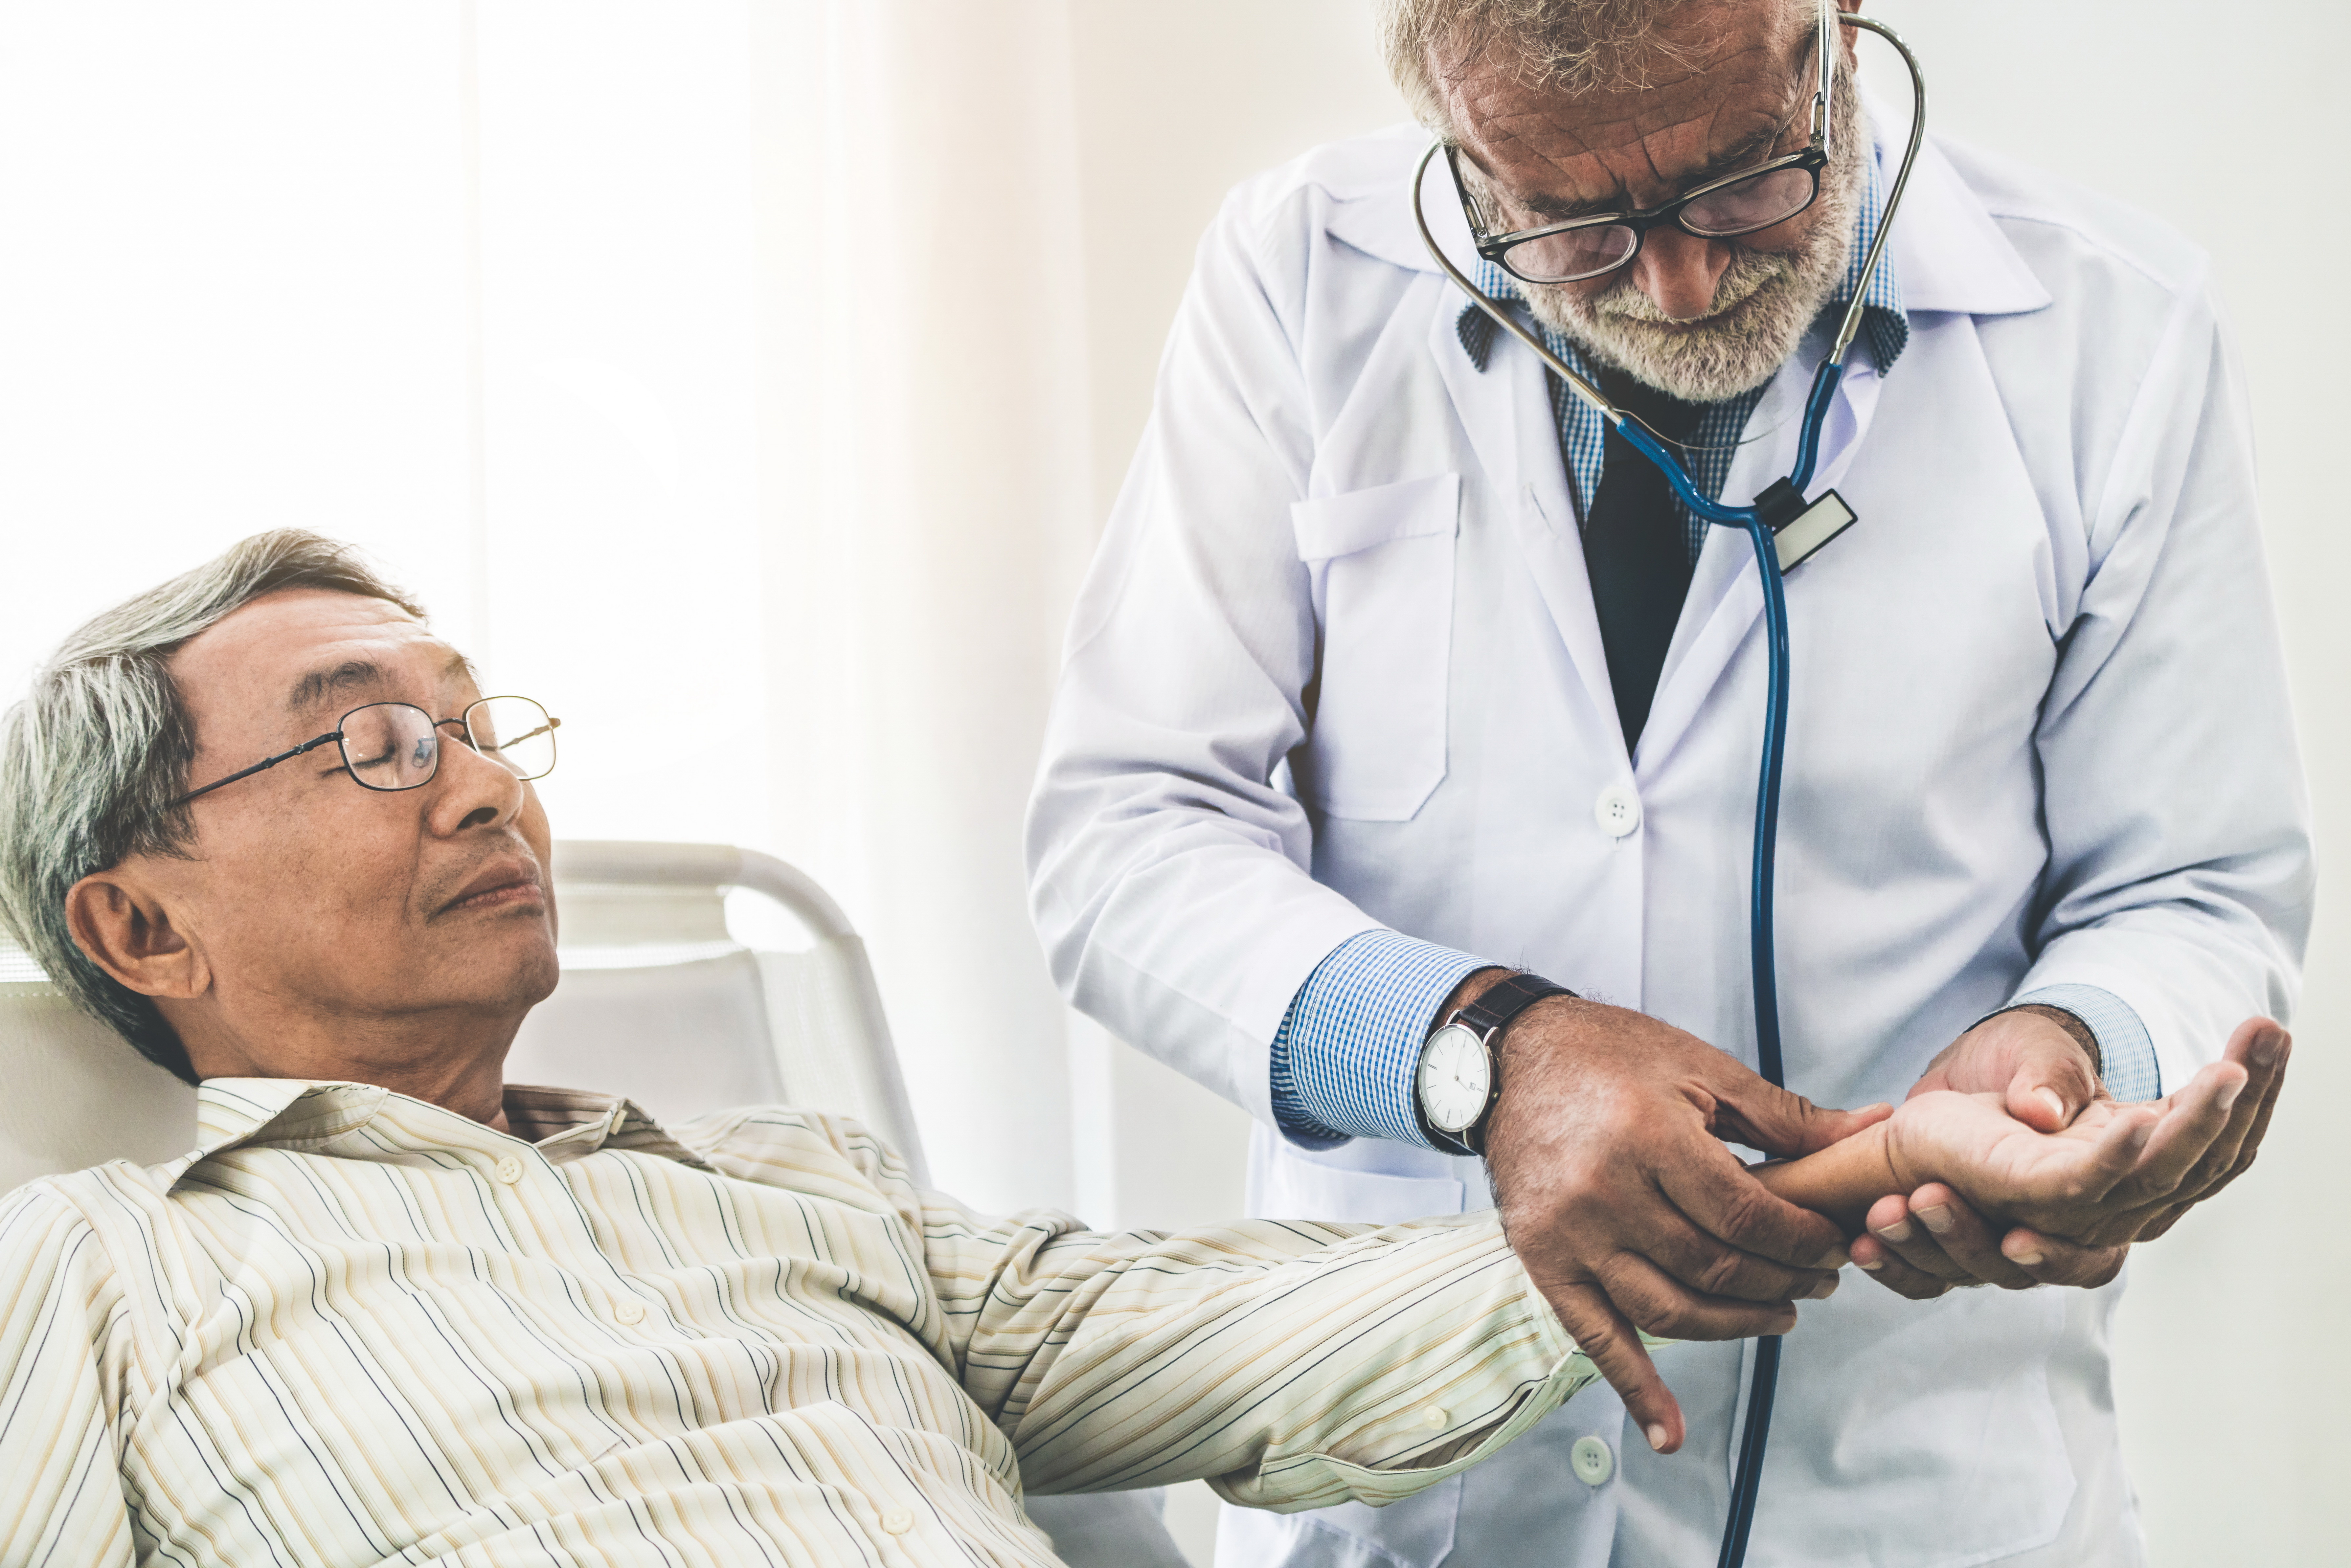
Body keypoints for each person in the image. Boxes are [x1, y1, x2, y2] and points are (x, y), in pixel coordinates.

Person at [0, 537, 2281, 1567]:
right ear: (136, 917)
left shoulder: (784, 1182)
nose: (488, 783)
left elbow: (1227, 1325)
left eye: (487, 726)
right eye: (375, 743)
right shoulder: (94, 1275)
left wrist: (1879, 1142)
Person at [1023, 0, 2312, 1562]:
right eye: (1570, 220)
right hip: (1414, 1484)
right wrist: (1485, 1058)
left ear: (1832, 36)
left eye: (1740, 178)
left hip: (1909, 1482)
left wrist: (2066, 1048)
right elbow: (1123, 838)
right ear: (1450, 124)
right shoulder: (1300, 278)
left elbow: (2188, 884)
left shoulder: (2109, 325)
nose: (1681, 280)